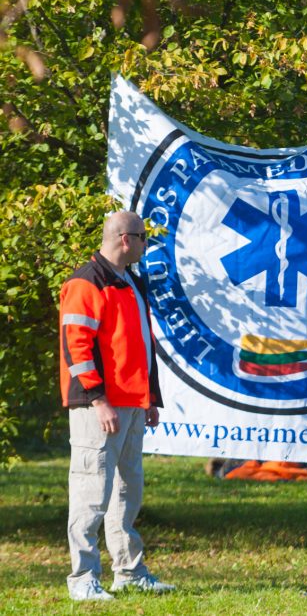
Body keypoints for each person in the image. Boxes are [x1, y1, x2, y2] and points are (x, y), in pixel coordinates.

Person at [59, 211, 172, 601]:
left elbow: (142, 345)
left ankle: (129, 571)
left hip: (132, 404)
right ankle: (83, 580)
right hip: (99, 408)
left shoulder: (131, 283)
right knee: (91, 493)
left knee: (127, 493)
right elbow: (76, 348)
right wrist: (98, 399)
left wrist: (150, 399)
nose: (146, 244)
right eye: (143, 237)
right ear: (126, 239)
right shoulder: (86, 282)